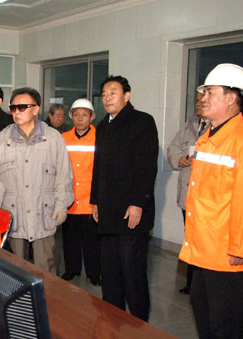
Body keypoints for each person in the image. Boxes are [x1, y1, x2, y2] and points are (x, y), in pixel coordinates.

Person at [179, 63, 243, 339]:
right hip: (205, 247)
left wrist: (241, 247)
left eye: (210, 92)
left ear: (232, 98)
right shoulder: (208, 137)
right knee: (202, 307)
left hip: (228, 252)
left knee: (225, 323)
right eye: (203, 92)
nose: (203, 98)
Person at [90, 75, 158, 321]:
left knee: (133, 271)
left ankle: (140, 324)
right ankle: (112, 318)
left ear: (126, 96)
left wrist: (139, 202)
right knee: (110, 272)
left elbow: (147, 167)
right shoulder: (103, 126)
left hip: (131, 212)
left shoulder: (142, 122)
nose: (107, 97)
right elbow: (98, 167)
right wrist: (95, 200)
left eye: (113, 92)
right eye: (104, 94)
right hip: (107, 210)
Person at [0, 87, 74, 273]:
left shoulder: (53, 139)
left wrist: (61, 205)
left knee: (45, 269)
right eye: (13, 107)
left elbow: (64, 175)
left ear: (35, 109)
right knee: (16, 269)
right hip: (13, 213)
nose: (17, 112)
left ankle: (48, 302)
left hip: (44, 213)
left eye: (22, 107)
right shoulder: (1, 141)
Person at [167, 92, 210, 295]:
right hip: (187, 193)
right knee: (190, 239)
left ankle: (201, 284)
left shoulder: (217, 127)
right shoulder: (189, 125)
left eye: (204, 100)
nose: (200, 103)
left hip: (207, 197)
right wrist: (181, 158)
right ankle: (191, 283)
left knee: (205, 241)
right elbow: (172, 149)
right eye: (197, 100)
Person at [61, 98, 101, 286]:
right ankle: (72, 269)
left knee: (92, 241)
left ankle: (94, 273)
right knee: (69, 239)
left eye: (84, 115)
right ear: (71, 116)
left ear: (92, 117)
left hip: (90, 199)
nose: (80, 119)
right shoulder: (63, 138)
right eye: (76, 115)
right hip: (69, 198)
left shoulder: (100, 138)